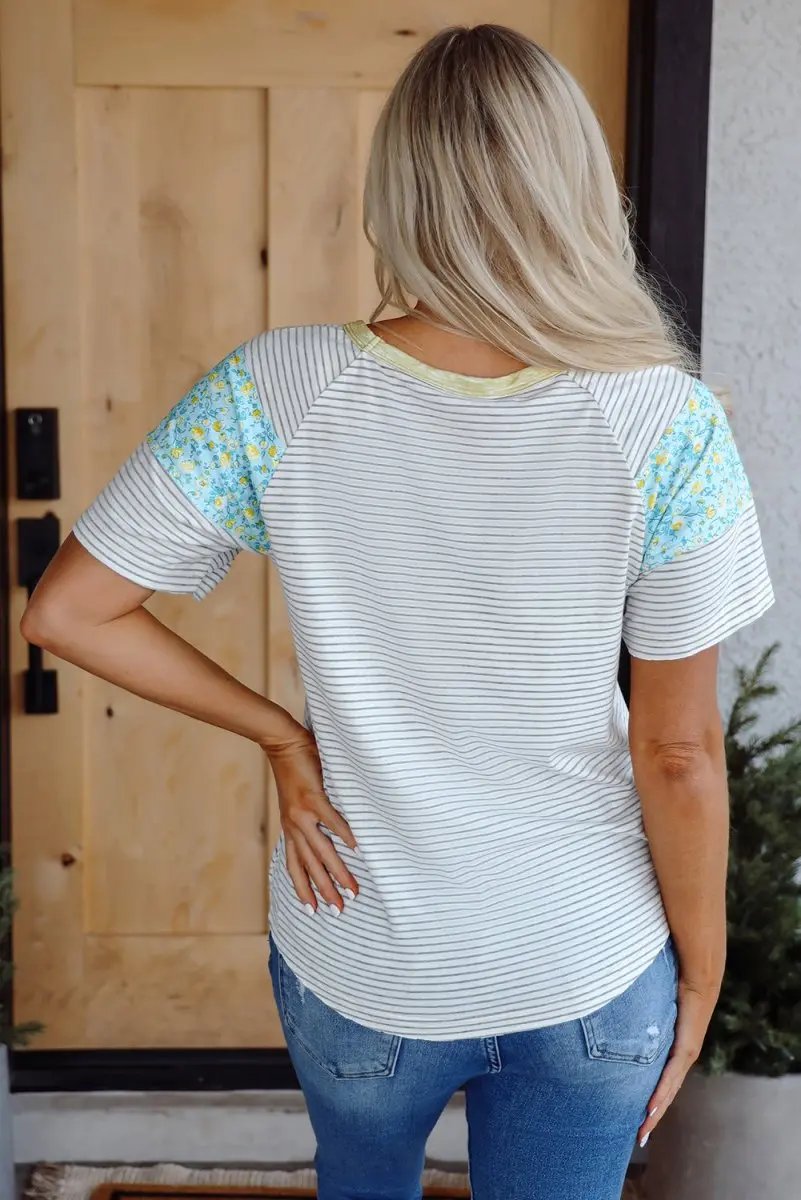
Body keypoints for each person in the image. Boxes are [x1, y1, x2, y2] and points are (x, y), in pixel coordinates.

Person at [21, 22, 774, 1200]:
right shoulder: (666, 422)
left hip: (365, 958)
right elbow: (677, 753)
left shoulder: (279, 387)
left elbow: (68, 612)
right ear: (576, 186)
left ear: (398, 191)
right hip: (582, 962)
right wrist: (706, 969)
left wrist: (281, 736)